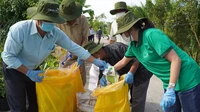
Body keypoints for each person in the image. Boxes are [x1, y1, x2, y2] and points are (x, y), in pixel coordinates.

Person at [1, 0, 107, 111]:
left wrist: (95, 61)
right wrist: (28, 73)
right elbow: (8, 56)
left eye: (53, 21)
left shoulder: (55, 33)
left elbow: (74, 47)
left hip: (33, 68)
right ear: (38, 19)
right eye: (47, 21)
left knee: (35, 103)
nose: (51, 24)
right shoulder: (20, 30)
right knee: (18, 106)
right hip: (14, 69)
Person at [114, 11, 200, 112]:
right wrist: (109, 70)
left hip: (187, 78)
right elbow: (123, 62)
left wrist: (171, 88)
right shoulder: (133, 46)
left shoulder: (151, 35)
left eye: (123, 32)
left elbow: (176, 60)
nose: (123, 34)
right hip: (169, 82)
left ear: (129, 29)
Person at [83, 41, 152, 112]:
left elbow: (138, 58)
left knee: (137, 99)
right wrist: (99, 90)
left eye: (93, 58)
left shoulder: (118, 48)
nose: (95, 60)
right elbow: (105, 76)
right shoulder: (103, 61)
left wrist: (130, 73)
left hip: (142, 70)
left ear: (96, 53)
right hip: (126, 72)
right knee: (122, 95)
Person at [57, 0, 90, 85]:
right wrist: (61, 55)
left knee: (79, 84)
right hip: (64, 59)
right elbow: (55, 41)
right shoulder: (58, 22)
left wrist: (81, 55)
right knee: (65, 84)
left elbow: (85, 39)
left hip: (79, 58)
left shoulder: (83, 20)